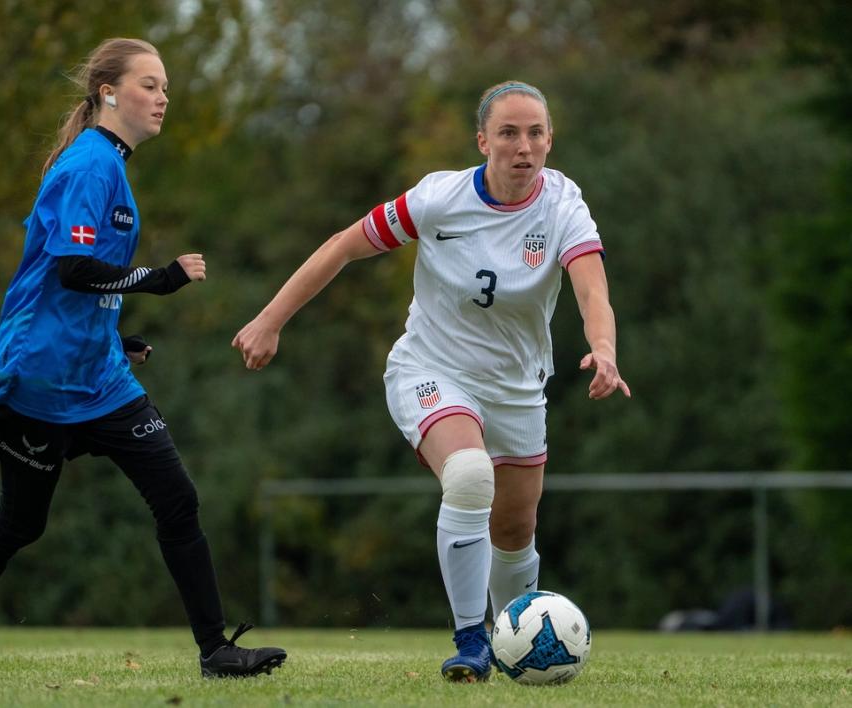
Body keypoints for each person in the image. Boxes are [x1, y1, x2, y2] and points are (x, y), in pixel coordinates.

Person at [0, 37, 286, 680]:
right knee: (21, 523)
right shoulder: (89, 166)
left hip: (102, 379)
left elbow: (85, 288)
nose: (163, 96)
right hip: (40, 379)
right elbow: (75, 269)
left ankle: (215, 651)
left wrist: (117, 336)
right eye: (150, 84)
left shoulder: (110, 163)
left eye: (166, 86)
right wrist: (157, 279)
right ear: (108, 91)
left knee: (177, 499)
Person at [233, 80, 629, 682]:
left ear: (550, 139)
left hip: (517, 389)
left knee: (515, 532)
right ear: (482, 141)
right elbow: (344, 245)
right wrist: (269, 319)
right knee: (469, 477)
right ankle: (471, 642)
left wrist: (603, 349)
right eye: (508, 133)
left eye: (536, 133)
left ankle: (518, 645)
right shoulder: (438, 199)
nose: (524, 147)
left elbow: (592, 288)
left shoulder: (563, 207)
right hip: (432, 370)